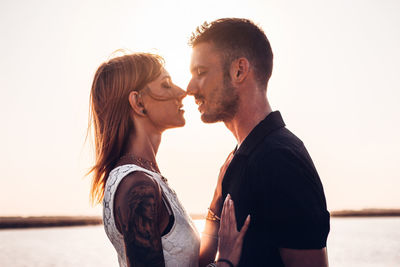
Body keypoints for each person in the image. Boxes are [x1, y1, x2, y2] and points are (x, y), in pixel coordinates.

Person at [187, 18, 330, 267]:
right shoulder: (240, 158)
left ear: (239, 70)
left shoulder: (280, 160)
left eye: (201, 73)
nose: (189, 88)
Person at [88, 52, 250, 267]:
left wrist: (216, 203)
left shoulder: (146, 177)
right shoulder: (137, 185)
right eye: (165, 85)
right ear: (138, 102)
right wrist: (226, 261)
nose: (182, 92)